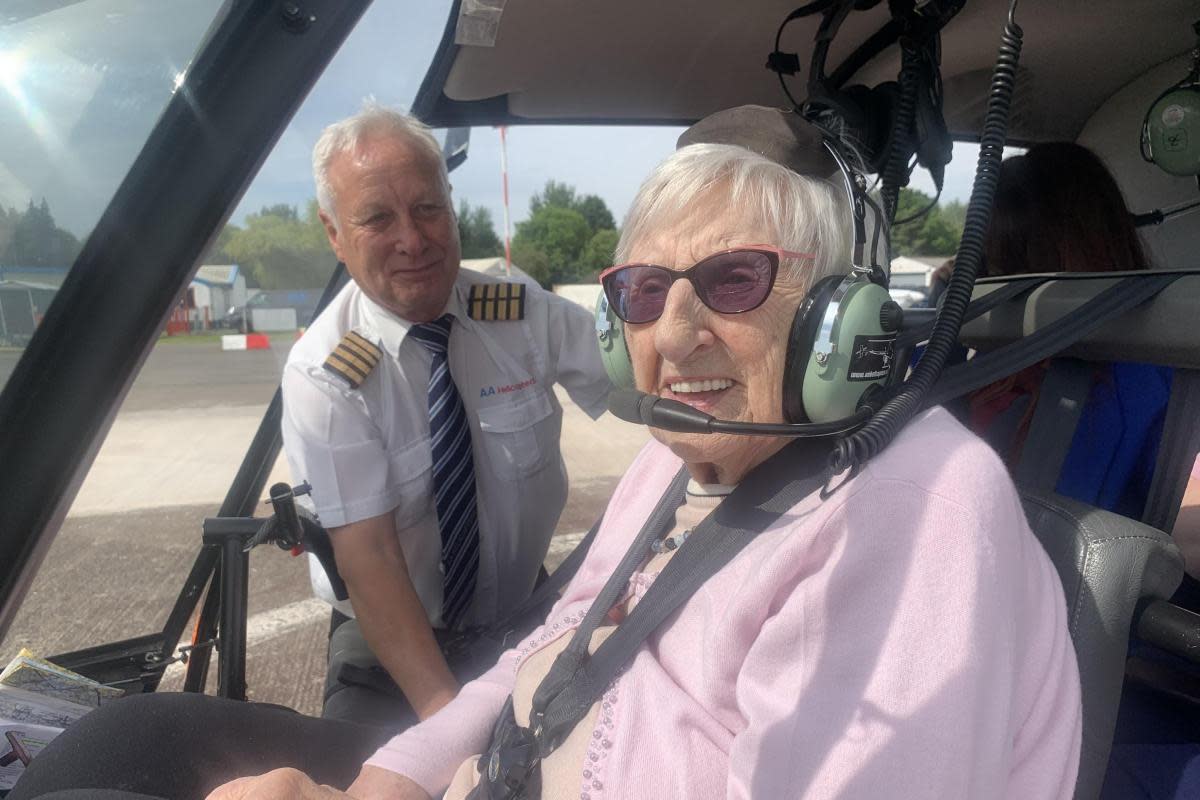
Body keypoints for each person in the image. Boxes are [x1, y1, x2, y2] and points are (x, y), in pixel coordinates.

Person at [9, 113, 1081, 800]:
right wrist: (393, 778)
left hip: (516, 697)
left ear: (839, 317)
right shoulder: (331, 373)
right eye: (643, 293)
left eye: (738, 279)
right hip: (411, 661)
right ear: (337, 238)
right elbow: (456, 594)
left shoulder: (925, 503)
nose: (672, 334)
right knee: (128, 741)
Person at [282, 106, 612, 726]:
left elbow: (641, 382)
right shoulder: (325, 374)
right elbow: (371, 559)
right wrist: (449, 726)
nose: (413, 239)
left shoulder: (519, 312)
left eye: (428, 207)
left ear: (452, 203)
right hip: (392, 645)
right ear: (334, 233)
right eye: (378, 217)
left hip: (526, 614)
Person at [962, 142, 1170, 520]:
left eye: (1022, 259)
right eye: (995, 265)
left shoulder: (1150, 386)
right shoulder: (972, 359)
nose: (1003, 284)